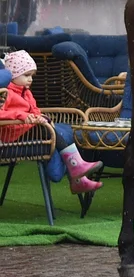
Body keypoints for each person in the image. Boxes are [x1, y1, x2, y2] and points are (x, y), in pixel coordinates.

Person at [0, 50, 104, 195]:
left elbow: (35, 110)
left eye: (32, 76)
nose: (30, 79)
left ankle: (78, 177)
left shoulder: (26, 92)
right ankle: (77, 168)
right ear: (13, 75)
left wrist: (41, 117)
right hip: (12, 134)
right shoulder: (7, 93)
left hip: (26, 130)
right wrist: (21, 115)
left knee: (53, 130)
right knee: (48, 131)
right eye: (26, 75)